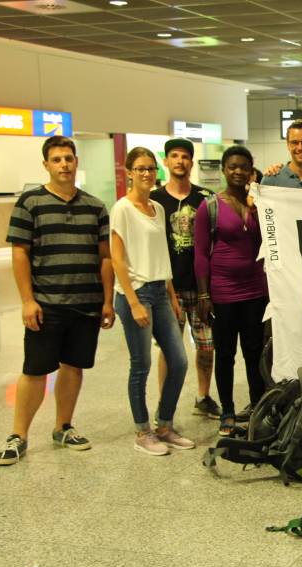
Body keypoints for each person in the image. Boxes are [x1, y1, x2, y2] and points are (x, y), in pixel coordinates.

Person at [0, 136, 114, 466]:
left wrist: (107, 301)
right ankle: (18, 435)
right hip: (46, 304)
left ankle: (63, 426)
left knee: (73, 366)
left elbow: (105, 257)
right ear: (46, 164)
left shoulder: (95, 207)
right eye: (57, 159)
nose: (64, 164)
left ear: (77, 162)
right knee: (35, 370)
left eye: (68, 158)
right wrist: (26, 300)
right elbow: (19, 253)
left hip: (86, 302)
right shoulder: (30, 202)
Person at [111, 147, 193, 456]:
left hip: (161, 291)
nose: (147, 173)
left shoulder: (158, 209)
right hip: (137, 293)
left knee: (180, 362)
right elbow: (117, 260)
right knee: (141, 365)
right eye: (140, 168)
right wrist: (132, 302)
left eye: (150, 168)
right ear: (129, 172)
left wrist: (171, 296)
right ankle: (142, 431)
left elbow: (162, 254)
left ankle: (165, 425)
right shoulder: (122, 208)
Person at [194, 146, 269, 436]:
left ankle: (255, 407)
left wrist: (258, 208)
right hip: (223, 293)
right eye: (232, 167)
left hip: (255, 291)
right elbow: (200, 254)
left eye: (243, 167)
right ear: (225, 170)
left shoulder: (258, 205)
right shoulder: (210, 207)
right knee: (225, 354)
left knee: (254, 353)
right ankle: (227, 411)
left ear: (251, 171)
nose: (238, 172)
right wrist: (203, 295)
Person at [149, 138, 219, 420]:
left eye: (185, 156)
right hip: (168, 288)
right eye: (174, 156)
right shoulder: (154, 201)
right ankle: (165, 404)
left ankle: (203, 396)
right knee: (169, 347)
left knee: (207, 345)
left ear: (191, 162)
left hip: (201, 286)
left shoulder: (206, 198)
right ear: (166, 161)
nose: (180, 161)